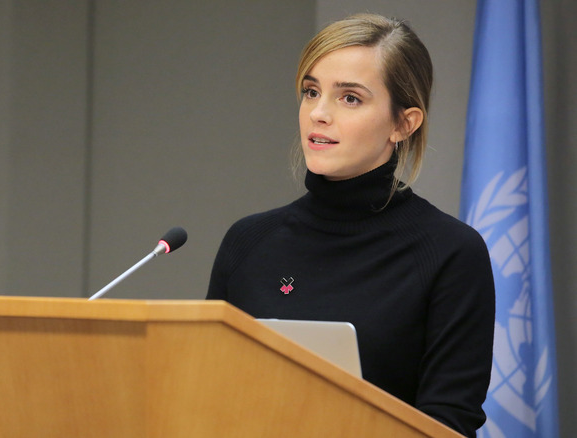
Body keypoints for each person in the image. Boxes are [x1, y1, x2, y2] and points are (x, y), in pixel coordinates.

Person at [206, 13, 495, 437]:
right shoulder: (248, 243)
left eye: (350, 98)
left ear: (403, 123)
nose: (318, 114)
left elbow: (449, 422)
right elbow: (206, 396)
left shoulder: (451, 252)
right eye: (311, 92)